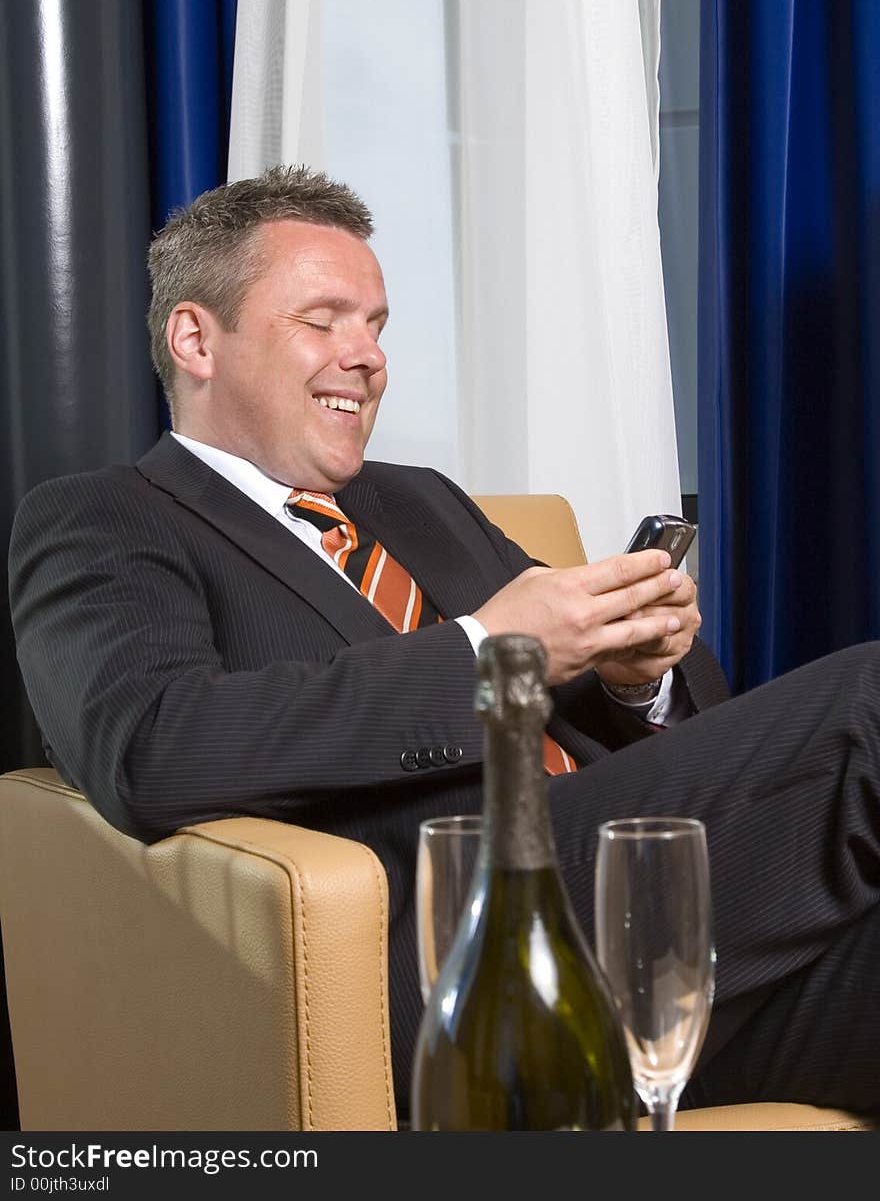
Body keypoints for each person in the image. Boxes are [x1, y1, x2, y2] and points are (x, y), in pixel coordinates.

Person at [9, 165, 880, 1122]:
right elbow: (150, 746)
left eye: (376, 324)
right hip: (437, 954)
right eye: (324, 320)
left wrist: (637, 681)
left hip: (653, 932)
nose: (368, 355)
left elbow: (684, 725)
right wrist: (489, 652)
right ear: (194, 337)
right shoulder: (106, 519)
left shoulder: (421, 499)